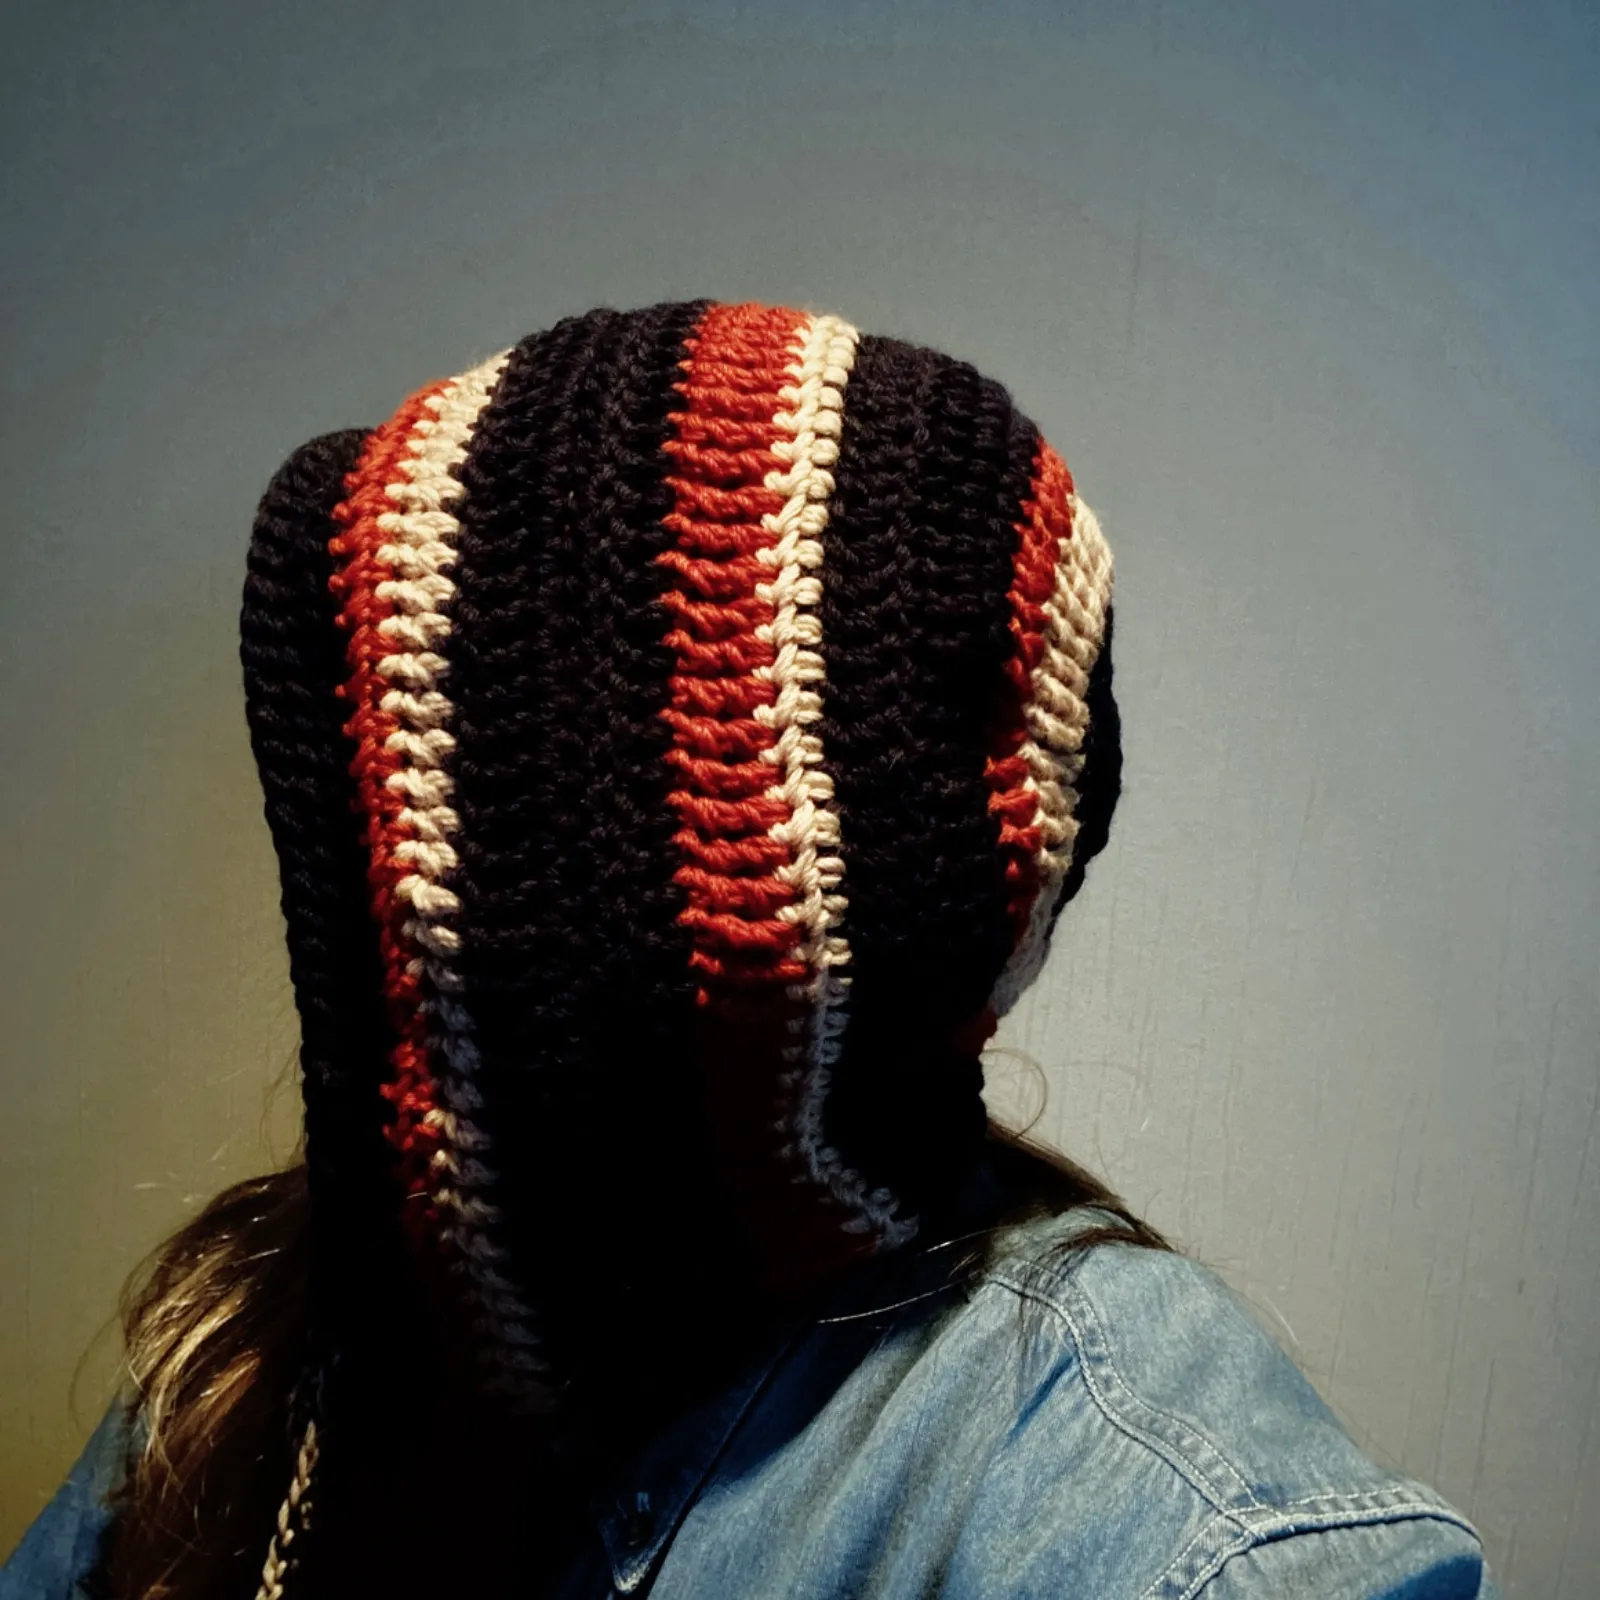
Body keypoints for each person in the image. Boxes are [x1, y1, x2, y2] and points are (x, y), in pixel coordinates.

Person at [3, 301, 1499, 1600]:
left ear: (628, 935)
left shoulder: (1142, 1498)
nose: (357, 892)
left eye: (427, 793)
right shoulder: (274, 1350)